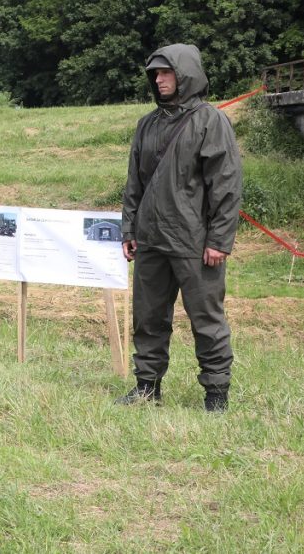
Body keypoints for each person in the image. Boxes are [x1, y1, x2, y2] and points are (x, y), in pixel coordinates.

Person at [118, 43, 242, 412]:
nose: (159, 79)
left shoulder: (210, 121)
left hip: (195, 241)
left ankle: (216, 395)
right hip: (151, 240)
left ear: (185, 74)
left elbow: (226, 185)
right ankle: (147, 388)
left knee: (206, 320)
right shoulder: (147, 124)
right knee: (148, 318)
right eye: (155, 73)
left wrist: (219, 239)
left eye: (166, 72)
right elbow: (134, 182)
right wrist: (129, 230)